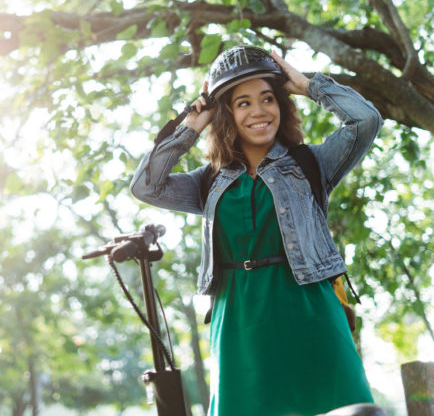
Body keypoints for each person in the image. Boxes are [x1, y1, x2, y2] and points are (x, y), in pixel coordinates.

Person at [130, 46, 383, 416]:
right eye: (243, 103)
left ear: (281, 104)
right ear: (227, 114)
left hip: (311, 310)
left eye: (268, 98)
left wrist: (306, 84)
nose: (259, 111)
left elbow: (365, 120)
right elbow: (145, 186)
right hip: (239, 319)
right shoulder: (208, 182)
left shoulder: (312, 163)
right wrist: (192, 123)